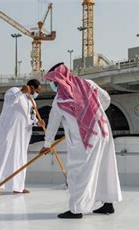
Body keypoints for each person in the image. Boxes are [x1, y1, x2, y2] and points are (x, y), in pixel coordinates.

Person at [40, 63, 122, 219]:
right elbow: (106, 99)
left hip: (84, 140)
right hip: (102, 130)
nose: (53, 85)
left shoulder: (60, 99)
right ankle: (108, 204)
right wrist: (93, 114)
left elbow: (52, 125)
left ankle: (76, 209)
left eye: (54, 81)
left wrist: (47, 145)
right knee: (105, 166)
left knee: (78, 172)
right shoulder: (88, 84)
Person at [0, 79, 45, 197]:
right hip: (8, 131)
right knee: (3, 156)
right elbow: (9, 101)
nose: (37, 93)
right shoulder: (14, 91)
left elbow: (31, 118)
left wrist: (37, 123)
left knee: (20, 159)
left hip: (22, 135)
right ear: (30, 87)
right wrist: (21, 92)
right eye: (36, 90)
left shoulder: (32, 102)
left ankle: (18, 186)